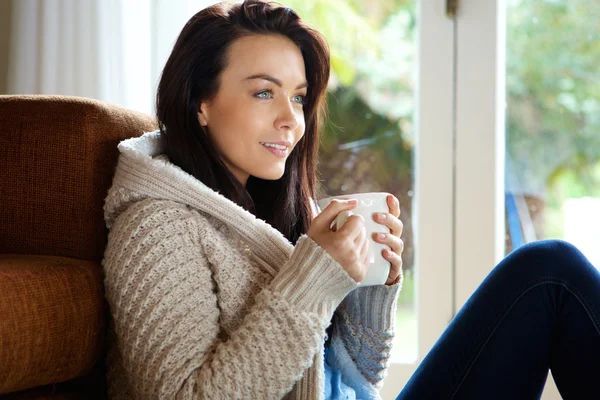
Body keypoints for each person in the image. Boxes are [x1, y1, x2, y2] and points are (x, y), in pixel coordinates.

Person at [101, 1, 600, 399]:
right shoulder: (156, 226)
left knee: (548, 271)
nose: (291, 120)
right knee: (548, 272)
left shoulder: (268, 210)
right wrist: (313, 279)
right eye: (263, 93)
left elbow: (353, 383)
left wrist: (367, 286)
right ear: (200, 103)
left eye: (297, 97)